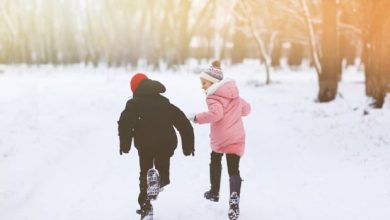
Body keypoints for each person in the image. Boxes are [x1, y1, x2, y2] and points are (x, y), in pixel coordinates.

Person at [118, 73, 195, 219]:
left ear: (135, 89)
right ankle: (159, 182)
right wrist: (188, 146)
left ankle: (146, 206)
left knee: (145, 173)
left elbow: (125, 123)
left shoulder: (134, 104)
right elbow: (183, 122)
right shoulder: (165, 103)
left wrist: (125, 144)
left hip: (145, 144)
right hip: (166, 143)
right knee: (162, 173)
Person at [188, 61, 251, 220]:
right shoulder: (234, 95)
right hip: (236, 137)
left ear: (213, 82)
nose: (202, 86)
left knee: (215, 159)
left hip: (221, 138)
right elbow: (247, 109)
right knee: (233, 168)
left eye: (204, 83)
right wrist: (236, 108)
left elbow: (216, 114)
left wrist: (196, 117)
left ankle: (214, 192)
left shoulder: (213, 96)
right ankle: (234, 200)